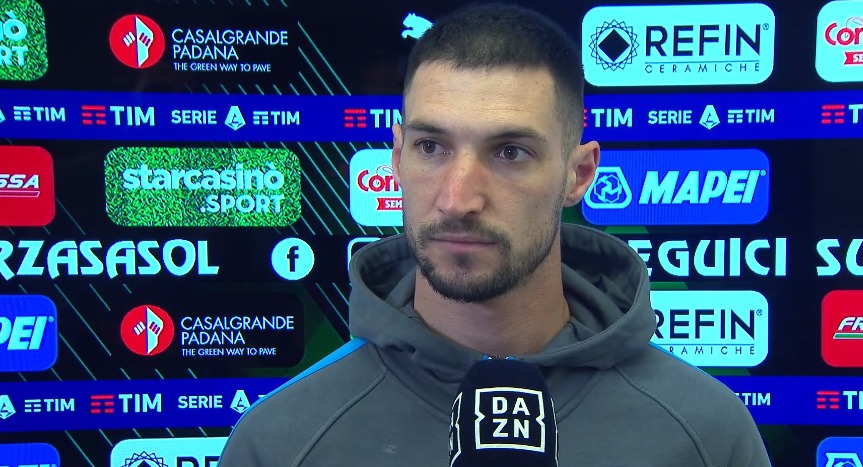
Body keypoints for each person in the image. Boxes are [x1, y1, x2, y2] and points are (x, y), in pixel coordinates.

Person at [219, 3, 772, 466]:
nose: (458, 199)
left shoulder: (708, 434)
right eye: (431, 147)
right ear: (397, 158)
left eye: (510, 152)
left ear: (578, 173)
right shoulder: (280, 442)